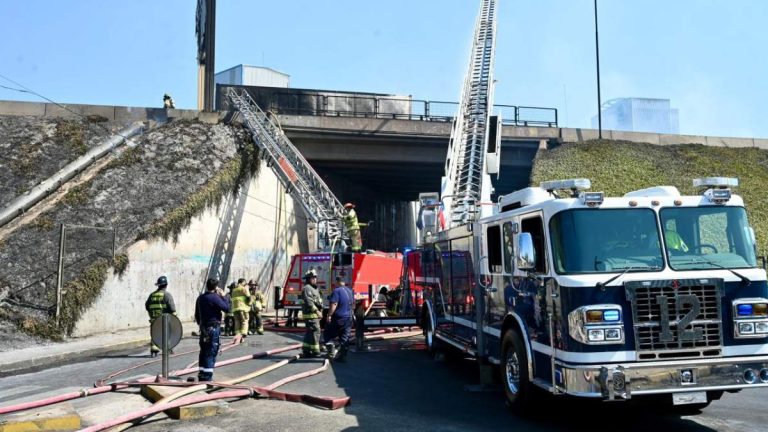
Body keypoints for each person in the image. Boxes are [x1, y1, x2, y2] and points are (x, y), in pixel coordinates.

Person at [195, 278, 230, 382]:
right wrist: (223, 296)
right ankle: (207, 377)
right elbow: (227, 308)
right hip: (213, 327)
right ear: (216, 287)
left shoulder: (200, 298)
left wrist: (201, 325)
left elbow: (197, 314)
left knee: (203, 351)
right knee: (211, 351)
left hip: (204, 328)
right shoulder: (215, 298)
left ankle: (202, 374)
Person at [144, 275, 176, 358]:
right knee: (167, 333)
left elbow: (147, 306)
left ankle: (154, 349)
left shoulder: (152, 295)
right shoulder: (167, 295)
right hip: (163, 319)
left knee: (154, 334)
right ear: (166, 285)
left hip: (154, 319)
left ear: (158, 285)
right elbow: (172, 309)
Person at [324, 277, 354, 362]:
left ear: (337, 282)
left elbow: (334, 304)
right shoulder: (350, 291)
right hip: (348, 318)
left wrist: (329, 315)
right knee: (344, 338)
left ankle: (331, 352)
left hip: (338, 318)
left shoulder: (336, 291)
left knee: (328, 334)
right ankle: (343, 356)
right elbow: (353, 305)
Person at [301, 271, 324, 358]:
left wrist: (320, 310)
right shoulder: (307, 288)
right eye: (313, 277)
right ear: (308, 279)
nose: (315, 279)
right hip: (311, 315)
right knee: (315, 332)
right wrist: (317, 311)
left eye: (315, 277)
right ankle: (315, 351)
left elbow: (318, 300)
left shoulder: (314, 288)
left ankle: (306, 350)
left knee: (310, 332)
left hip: (315, 315)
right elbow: (309, 302)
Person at [230, 278, 251, 344]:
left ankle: (238, 335)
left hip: (235, 308)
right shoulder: (243, 288)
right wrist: (247, 289)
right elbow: (248, 296)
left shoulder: (234, 290)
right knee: (244, 321)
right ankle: (243, 334)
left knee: (237, 322)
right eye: (245, 282)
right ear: (243, 282)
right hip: (243, 308)